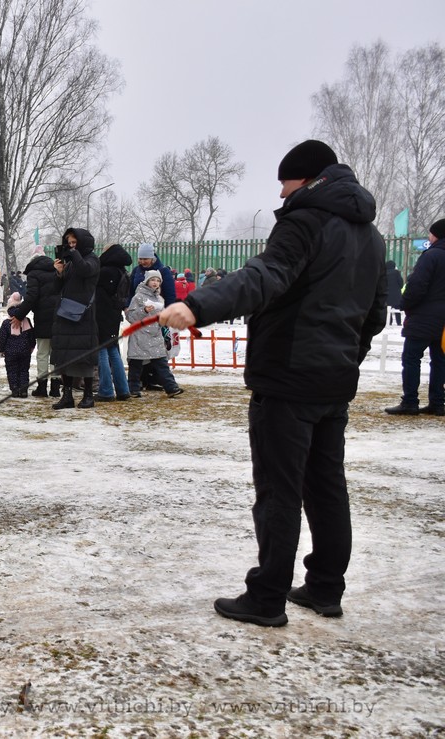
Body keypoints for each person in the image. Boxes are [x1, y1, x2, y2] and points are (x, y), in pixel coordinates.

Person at [158, 139, 386, 627]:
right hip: (333, 382)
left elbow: (264, 275)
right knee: (327, 487)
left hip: (288, 378)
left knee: (279, 491)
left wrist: (197, 305)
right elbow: (374, 316)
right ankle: (325, 587)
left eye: (285, 183)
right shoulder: (371, 235)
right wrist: (345, 359)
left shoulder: (305, 221)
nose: (281, 194)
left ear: (307, 179)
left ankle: (266, 597)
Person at [385, 219, 445, 416]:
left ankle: (410, 402)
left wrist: (405, 304)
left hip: (423, 317)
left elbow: (417, 285)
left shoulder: (431, 256)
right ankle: (438, 402)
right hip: (443, 323)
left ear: (436, 235)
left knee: (411, 359)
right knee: (440, 361)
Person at [50, 228, 100, 410]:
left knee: (84, 357)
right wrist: (59, 273)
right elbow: (57, 288)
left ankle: (88, 395)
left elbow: (86, 270)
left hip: (82, 316)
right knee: (64, 356)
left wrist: (74, 254)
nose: (71, 246)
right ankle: (67, 395)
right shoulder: (71, 262)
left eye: (74, 243)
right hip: (65, 314)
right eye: (69, 243)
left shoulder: (92, 259)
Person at [9, 248, 62, 397]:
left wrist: (19, 315)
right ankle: (55, 388)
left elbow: (31, 297)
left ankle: (42, 387)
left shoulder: (33, 274)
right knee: (56, 353)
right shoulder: (56, 271)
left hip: (43, 318)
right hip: (59, 317)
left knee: (43, 353)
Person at [126, 271, 182, 398]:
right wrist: (144, 310)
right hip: (140, 334)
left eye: (158, 280)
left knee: (162, 363)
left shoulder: (159, 299)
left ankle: (171, 387)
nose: (155, 283)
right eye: (152, 280)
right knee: (136, 363)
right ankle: (133, 389)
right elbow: (131, 316)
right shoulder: (138, 297)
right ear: (147, 281)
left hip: (155, 335)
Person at [94, 243, 132, 402]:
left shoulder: (104, 271)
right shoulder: (122, 271)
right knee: (113, 351)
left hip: (101, 315)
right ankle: (123, 389)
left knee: (101, 350)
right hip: (114, 315)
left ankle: (106, 390)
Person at [0, 292, 36, 397]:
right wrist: (32, 346)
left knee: (12, 371)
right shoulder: (27, 321)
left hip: (10, 351)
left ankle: (14, 389)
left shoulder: (6, 323)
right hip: (25, 350)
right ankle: (23, 390)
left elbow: (2, 337)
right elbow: (31, 335)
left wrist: (1, 349)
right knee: (24, 370)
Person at [385, 260, 404, 327]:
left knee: (387, 308)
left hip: (387, 295)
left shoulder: (383, 273)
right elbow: (401, 283)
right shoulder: (396, 273)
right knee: (397, 308)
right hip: (396, 295)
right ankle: (398, 322)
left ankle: (389, 321)